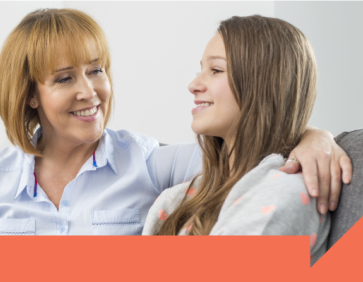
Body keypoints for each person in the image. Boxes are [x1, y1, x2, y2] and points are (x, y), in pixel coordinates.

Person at [0, 9, 350, 236]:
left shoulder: (148, 161)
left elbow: (248, 147)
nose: (89, 91)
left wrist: (315, 137)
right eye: (64, 78)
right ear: (29, 96)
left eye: (96, 70)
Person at [142, 15, 331, 265]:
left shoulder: (285, 194)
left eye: (216, 70)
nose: (193, 84)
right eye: (200, 70)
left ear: (263, 84)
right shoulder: (182, 198)